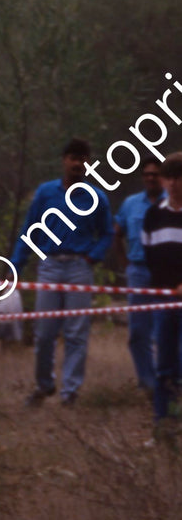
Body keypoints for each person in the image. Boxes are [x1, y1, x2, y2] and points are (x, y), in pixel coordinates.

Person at [8, 138, 113, 407]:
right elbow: (28, 232)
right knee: (44, 332)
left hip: (80, 267)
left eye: (83, 159)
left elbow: (107, 233)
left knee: (76, 332)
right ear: (64, 160)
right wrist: (15, 265)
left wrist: (93, 257)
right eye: (73, 158)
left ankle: (70, 392)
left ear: (88, 163)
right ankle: (44, 385)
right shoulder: (45, 193)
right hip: (50, 266)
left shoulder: (97, 197)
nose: (78, 163)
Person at [113, 159, 163, 393]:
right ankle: (148, 383)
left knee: (167, 328)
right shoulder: (130, 204)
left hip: (167, 272)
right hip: (138, 271)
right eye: (147, 174)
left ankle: (169, 380)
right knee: (138, 333)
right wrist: (125, 263)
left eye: (155, 174)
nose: (151, 178)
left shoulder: (172, 203)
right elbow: (116, 232)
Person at [144, 153, 182, 429]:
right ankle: (162, 422)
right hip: (162, 297)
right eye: (170, 178)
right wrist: (165, 288)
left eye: (179, 178)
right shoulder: (153, 215)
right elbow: (150, 255)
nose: (174, 184)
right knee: (163, 363)